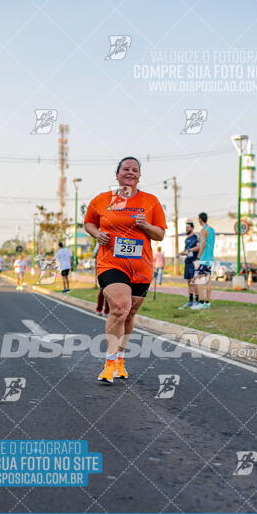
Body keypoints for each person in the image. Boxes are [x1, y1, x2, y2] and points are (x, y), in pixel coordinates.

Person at [84, 156, 166, 383]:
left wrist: (145, 225)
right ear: (117, 173)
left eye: (135, 170)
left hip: (141, 266)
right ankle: (109, 362)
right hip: (110, 262)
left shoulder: (150, 201)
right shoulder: (102, 200)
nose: (131, 172)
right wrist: (96, 233)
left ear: (139, 176)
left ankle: (120, 357)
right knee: (120, 307)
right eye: (126, 169)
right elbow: (89, 223)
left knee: (129, 314)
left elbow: (159, 234)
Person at [191, 212, 215, 310]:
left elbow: (203, 245)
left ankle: (201, 302)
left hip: (204, 259)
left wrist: (198, 257)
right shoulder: (212, 230)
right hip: (210, 258)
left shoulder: (204, 230)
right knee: (208, 280)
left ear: (200, 219)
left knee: (199, 281)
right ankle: (207, 302)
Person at [178, 220, 199, 308]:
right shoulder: (186, 239)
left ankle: (197, 300)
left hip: (194, 262)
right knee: (189, 282)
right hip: (187, 261)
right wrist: (180, 253)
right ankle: (190, 300)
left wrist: (189, 250)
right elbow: (185, 250)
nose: (186, 229)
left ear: (192, 228)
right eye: (185, 227)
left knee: (194, 281)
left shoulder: (196, 237)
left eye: (188, 227)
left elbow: (198, 247)